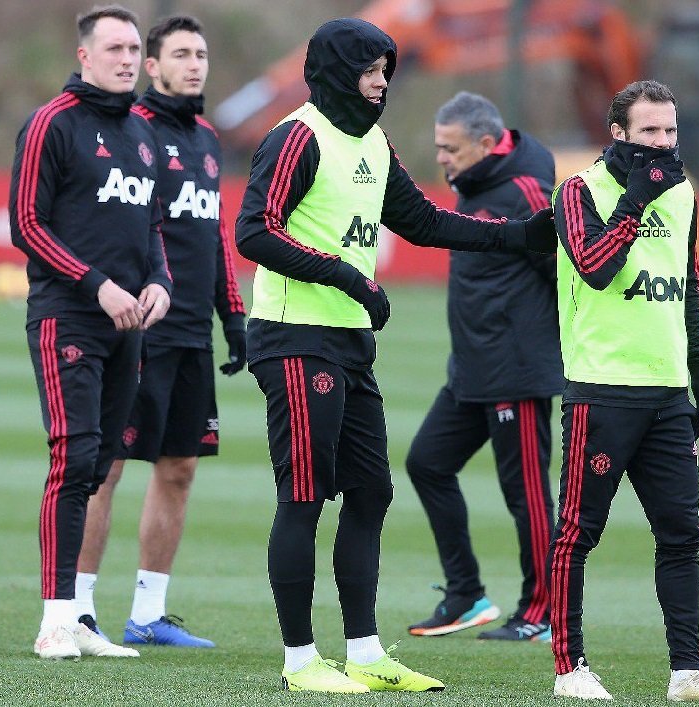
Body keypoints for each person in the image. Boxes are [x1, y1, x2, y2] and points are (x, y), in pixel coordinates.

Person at [235, 18, 557, 694]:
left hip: (347, 342)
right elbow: (253, 231)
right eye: (371, 67)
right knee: (302, 496)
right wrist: (349, 278)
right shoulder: (297, 136)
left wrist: (518, 235)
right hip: (294, 336)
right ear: (336, 67)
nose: (383, 80)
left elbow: (423, 220)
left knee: (373, 491)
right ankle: (300, 662)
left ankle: (364, 650)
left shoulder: (374, 142)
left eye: (388, 67)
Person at [548, 79, 699, 703]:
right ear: (618, 133)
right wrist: (636, 198)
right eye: (649, 133)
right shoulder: (581, 191)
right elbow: (596, 266)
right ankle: (569, 670)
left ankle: (687, 673)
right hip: (603, 391)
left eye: (670, 131)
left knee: (681, 535)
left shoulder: (683, 193)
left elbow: (686, 284)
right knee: (577, 534)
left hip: (667, 393)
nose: (663, 145)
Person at [74, 15, 247, 649]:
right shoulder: (132, 131)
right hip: (139, 329)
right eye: (181, 54)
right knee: (108, 468)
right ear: (152, 66)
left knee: (178, 468)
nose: (195, 64)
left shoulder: (206, 137)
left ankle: (147, 614)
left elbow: (214, 234)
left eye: (201, 53)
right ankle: (81, 608)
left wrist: (234, 316)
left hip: (193, 335)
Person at [9, 5, 171, 660]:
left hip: (128, 323)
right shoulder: (52, 123)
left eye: (134, 47)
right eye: (114, 47)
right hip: (69, 315)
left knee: (101, 464)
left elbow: (151, 224)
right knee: (73, 458)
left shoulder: (141, 130)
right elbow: (25, 222)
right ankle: (53, 621)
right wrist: (96, 283)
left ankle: (77, 615)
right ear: (85, 55)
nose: (127, 58)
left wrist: (160, 280)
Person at [405, 91, 562, 642]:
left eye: (450, 149)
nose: (442, 159)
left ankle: (544, 610)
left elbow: (561, 272)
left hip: (513, 371)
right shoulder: (479, 188)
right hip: (471, 369)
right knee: (427, 462)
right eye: (439, 147)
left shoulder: (522, 193)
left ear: (487, 144)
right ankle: (466, 594)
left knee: (526, 492)